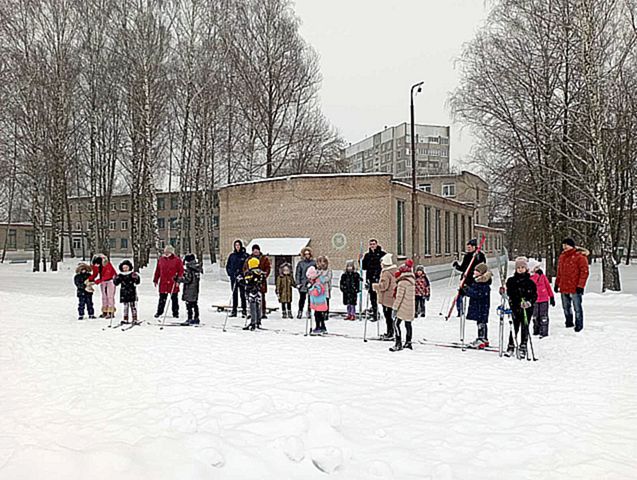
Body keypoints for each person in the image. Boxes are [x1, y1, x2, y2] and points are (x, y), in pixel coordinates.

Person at [555, 238, 590, 332]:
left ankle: (579, 324)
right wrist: (557, 283)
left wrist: (581, 286)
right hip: (564, 286)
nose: (565, 247)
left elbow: (584, 272)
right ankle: (568, 322)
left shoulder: (580, 257)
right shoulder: (562, 256)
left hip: (575, 286)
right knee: (566, 307)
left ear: (572, 246)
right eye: (563, 245)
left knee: (577, 307)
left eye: (567, 245)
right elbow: (560, 271)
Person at [506, 256, 538, 359]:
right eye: (518, 267)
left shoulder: (530, 282)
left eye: (522, 267)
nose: (520, 269)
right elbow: (509, 293)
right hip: (515, 307)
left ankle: (523, 346)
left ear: (526, 269)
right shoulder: (511, 280)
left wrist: (529, 302)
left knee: (525, 327)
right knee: (514, 327)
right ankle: (511, 345)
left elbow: (534, 295)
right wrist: (504, 292)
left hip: (526, 309)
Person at [453, 239, 487, 316]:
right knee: (459, 295)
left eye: (469, 247)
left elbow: (483, 267)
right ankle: (460, 311)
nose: (468, 249)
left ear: (474, 247)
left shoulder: (480, 255)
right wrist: (457, 266)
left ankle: (476, 311)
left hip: (475, 279)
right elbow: (463, 268)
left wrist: (477, 259)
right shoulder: (467, 256)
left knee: (475, 296)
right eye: (467, 247)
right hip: (466, 279)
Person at [463, 263, 492, 348]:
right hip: (478, 305)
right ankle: (483, 338)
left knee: (481, 322)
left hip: (481, 306)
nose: (474, 272)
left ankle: (481, 338)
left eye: (477, 271)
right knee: (481, 321)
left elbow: (478, 294)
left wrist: (467, 290)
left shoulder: (483, 282)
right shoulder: (477, 280)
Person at [390, 261, 416, 351]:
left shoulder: (402, 283)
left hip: (402, 307)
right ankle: (408, 342)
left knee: (396, 324)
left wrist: (394, 309)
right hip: (410, 307)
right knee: (408, 324)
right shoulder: (412, 281)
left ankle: (398, 343)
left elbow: (399, 297)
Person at [153, 245, 184, 319]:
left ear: (171, 252)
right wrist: (155, 279)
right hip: (163, 282)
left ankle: (175, 313)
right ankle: (159, 312)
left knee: (174, 298)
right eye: (165, 252)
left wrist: (178, 280)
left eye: (168, 252)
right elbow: (158, 270)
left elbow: (181, 271)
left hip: (173, 282)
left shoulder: (177, 260)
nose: (166, 253)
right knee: (162, 298)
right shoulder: (161, 259)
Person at [372, 253, 398, 339]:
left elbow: (384, 286)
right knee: (391, 316)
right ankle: (392, 332)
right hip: (392, 296)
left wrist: (374, 286)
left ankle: (389, 333)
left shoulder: (386, 273)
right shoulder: (394, 271)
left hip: (386, 298)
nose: (380, 264)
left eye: (381, 262)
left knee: (388, 317)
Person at [362, 239, 386, 322]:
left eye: (374, 244)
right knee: (373, 297)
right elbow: (364, 267)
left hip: (379, 278)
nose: (372, 246)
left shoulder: (382, 254)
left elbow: (385, 265)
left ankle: (385, 313)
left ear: (376, 244)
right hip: (370, 278)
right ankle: (375, 313)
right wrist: (360, 261)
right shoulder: (367, 255)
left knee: (382, 296)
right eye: (371, 244)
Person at [244, 244, 272, 319]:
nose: (256, 251)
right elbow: (245, 268)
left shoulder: (264, 258)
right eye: (254, 250)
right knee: (251, 298)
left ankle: (262, 312)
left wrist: (264, 275)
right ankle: (251, 313)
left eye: (257, 250)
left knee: (261, 297)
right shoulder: (249, 259)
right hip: (251, 281)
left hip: (261, 281)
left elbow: (268, 268)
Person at [89, 253, 117, 319]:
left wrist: (96, 282)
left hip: (111, 280)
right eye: (95, 264)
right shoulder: (96, 266)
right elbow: (95, 274)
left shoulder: (107, 265)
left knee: (110, 296)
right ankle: (105, 311)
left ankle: (110, 311)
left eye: (98, 264)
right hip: (103, 281)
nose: (97, 265)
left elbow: (107, 276)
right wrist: (90, 279)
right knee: (104, 296)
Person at [176, 253, 202, 325]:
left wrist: (179, 279)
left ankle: (190, 318)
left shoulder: (190, 268)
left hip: (189, 288)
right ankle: (196, 317)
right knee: (194, 303)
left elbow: (188, 279)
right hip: (195, 288)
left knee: (189, 304)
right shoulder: (196, 268)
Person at [113, 260, 141, 324]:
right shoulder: (121, 275)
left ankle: (135, 318)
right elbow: (116, 283)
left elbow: (137, 282)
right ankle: (125, 318)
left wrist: (136, 278)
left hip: (132, 291)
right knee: (125, 306)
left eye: (126, 267)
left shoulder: (132, 274)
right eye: (124, 268)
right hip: (124, 292)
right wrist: (115, 279)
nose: (125, 269)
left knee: (133, 305)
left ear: (129, 267)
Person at [530, 264, 555, 338]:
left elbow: (548, 286)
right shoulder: (530, 277)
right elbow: (533, 282)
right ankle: (536, 330)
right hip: (534, 300)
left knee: (544, 316)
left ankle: (544, 331)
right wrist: (537, 275)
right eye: (535, 268)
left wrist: (551, 296)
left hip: (544, 299)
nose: (537, 269)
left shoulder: (543, 276)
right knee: (535, 316)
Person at [226, 240, 248, 318]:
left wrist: (243, 274)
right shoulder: (232, 256)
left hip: (242, 278)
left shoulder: (245, 255)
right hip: (234, 278)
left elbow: (247, 267)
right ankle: (234, 310)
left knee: (243, 294)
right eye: (236, 245)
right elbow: (228, 266)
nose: (237, 247)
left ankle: (244, 310)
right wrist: (231, 273)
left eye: (238, 245)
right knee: (234, 294)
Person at [243, 257, 266, 330]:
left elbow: (247, 282)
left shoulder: (250, 273)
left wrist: (240, 280)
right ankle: (258, 321)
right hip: (258, 291)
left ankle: (253, 322)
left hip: (251, 292)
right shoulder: (260, 273)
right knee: (257, 306)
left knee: (252, 307)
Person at [295, 247, 316, 319]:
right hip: (302, 283)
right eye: (305, 254)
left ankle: (309, 311)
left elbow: (315, 273)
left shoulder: (313, 263)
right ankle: (300, 311)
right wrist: (298, 283)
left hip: (311, 283)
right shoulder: (301, 263)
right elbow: (298, 273)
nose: (307, 255)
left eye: (308, 254)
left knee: (310, 299)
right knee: (302, 298)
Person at [307, 266, 328, 334]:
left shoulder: (317, 283)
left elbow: (317, 292)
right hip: (317, 302)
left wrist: (310, 290)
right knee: (320, 315)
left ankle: (318, 327)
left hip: (319, 302)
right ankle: (323, 327)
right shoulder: (316, 282)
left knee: (317, 315)